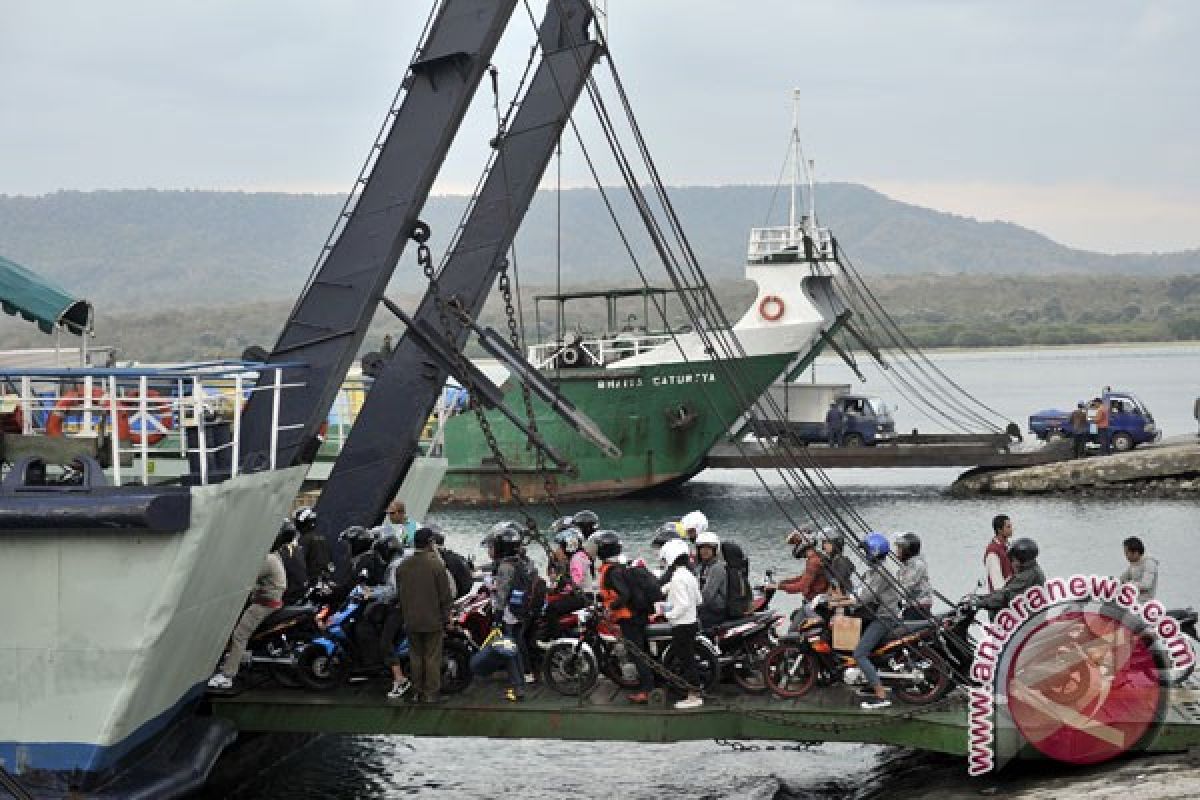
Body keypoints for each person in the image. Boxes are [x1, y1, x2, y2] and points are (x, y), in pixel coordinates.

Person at [207, 526, 290, 690]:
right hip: (271, 600)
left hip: (263, 604)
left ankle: (227, 676)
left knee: (239, 636)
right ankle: (236, 659)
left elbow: (245, 578)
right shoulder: (275, 556)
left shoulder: (267, 560)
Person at [595, 530, 655, 703]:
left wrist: (610, 608)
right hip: (638, 614)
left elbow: (624, 594)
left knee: (637, 653)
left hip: (629, 617)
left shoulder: (611, 571)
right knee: (641, 651)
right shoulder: (620, 567)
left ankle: (646, 690)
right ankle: (650, 681)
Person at [396, 526, 453, 704]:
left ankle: (416, 692)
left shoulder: (402, 566)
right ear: (430, 543)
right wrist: (447, 617)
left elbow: (400, 593)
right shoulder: (436, 565)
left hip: (411, 619)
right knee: (431, 656)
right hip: (432, 619)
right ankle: (431, 694)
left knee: (416, 656)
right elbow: (445, 595)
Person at [851, 532, 902, 710]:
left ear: (873, 551)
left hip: (884, 618)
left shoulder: (881, 572)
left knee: (859, 654)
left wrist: (843, 601)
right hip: (878, 615)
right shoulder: (876, 569)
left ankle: (881, 695)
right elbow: (861, 590)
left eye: (866, 550)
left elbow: (863, 597)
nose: (864, 554)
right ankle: (870, 682)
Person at [658, 538, 704, 709]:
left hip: (682, 626)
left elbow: (683, 604)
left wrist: (668, 613)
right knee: (689, 658)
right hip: (692, 622)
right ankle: (694, 691)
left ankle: (694, 696)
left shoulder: (678, 578)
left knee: (687, 660)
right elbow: (698, 599)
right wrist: (669, 589)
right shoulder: (689, 575)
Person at [541, 527, 589, 641]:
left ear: (569, 547)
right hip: (583, 595)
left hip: (583, 597)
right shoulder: (581, 555)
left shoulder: (576, 560)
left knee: (551, 609)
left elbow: (575, 582)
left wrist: (562, 586)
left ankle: (554, 639)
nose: (558, 550)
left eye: (561, 547)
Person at [975, 537, 1045, 612]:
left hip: (1022, 620)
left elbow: (1005, 596)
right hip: (1026, 616)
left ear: (1021, 559)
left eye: (1012, 560)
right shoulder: (1034, 570)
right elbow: (1006, 592)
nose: (1011, 563)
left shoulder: (1026, 576)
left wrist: (980, 603)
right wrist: (981, 597)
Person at [775, 530, 830, 602]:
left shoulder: (814, 562)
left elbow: (802, 586)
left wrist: (779, 587)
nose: (795, 547)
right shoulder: (816, 557)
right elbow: (803, 578)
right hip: (816, 599)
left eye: (796, 544)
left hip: (816, 601)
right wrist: (783, 582)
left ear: (803, 542)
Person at [893, 531, 933, 620]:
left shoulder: (917, 565)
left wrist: (888, 597)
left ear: (908, 550)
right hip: (910, 604)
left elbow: (904, 587)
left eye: (899, 549)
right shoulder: (907, 564)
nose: (897, 551)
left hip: (919, 606)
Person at [694, 531, 727, 630]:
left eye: (708, 548)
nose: (705, 551)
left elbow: (707, 595)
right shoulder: (702, 566)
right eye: (702, 548)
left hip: (716, 611)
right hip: (708, 609)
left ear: (715, 550)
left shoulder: (717, 568)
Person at [294, 506, 330, 583]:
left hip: (310, 579)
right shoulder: (322, 537)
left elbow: (299, 562)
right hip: (323, 579)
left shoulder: (304, 539)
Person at [1119, 536, 1158, 603]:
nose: (1126, 556)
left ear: (1135, 552)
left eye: (1127, 553)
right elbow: (1122, 579)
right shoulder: (1134, 564)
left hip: (1144, 602)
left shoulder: (1149, 563)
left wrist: (1128, 584)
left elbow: (1146, 585)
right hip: (1132, 599)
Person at [984, 514, 1014, 594]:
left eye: (1011, 526)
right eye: (1008, 527)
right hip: (1002, 600)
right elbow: (997, 583)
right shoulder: (992, 552)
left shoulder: (1008, 546)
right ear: (999, 530)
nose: (1011, 529)